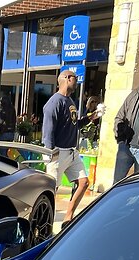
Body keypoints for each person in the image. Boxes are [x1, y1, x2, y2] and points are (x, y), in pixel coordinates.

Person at [42, 69, 90, 218]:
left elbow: (74, 124)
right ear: (68, 79)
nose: (77, 81)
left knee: (84, 182)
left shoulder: (69, 101)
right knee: (51, 190)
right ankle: (44, 220)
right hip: (57, 152)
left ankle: (68, 217)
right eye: (75, 78)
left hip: (71, 151)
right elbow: (48, 130)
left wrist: (90, 118)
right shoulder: (54, 102)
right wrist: (51, 153)